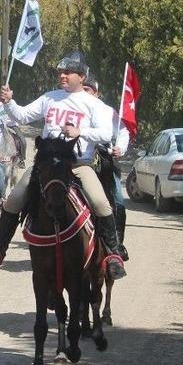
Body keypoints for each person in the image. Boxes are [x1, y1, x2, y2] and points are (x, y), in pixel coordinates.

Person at [0, 51, 127, 280]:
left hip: (77, 165)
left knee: (101, 203)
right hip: (46, 165)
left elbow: (107, 132)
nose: (62, 76)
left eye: (68, 72)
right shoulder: (50, 97)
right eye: (60, 72)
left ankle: (113, 256)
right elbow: (22, 116)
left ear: (81, 76)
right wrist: (9, 102)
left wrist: (80, 132)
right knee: (14, 200)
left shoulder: (93, 104)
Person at [83, 75, 130, 260]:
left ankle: (116, 245)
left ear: (97, 93)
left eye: (88, 90)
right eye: (83, 89)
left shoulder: (107, 111)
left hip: (104, 160)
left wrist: (120, 147)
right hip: (76, 160)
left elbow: (123, 131)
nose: (85, 93)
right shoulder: (71, 106)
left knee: (118, 201)